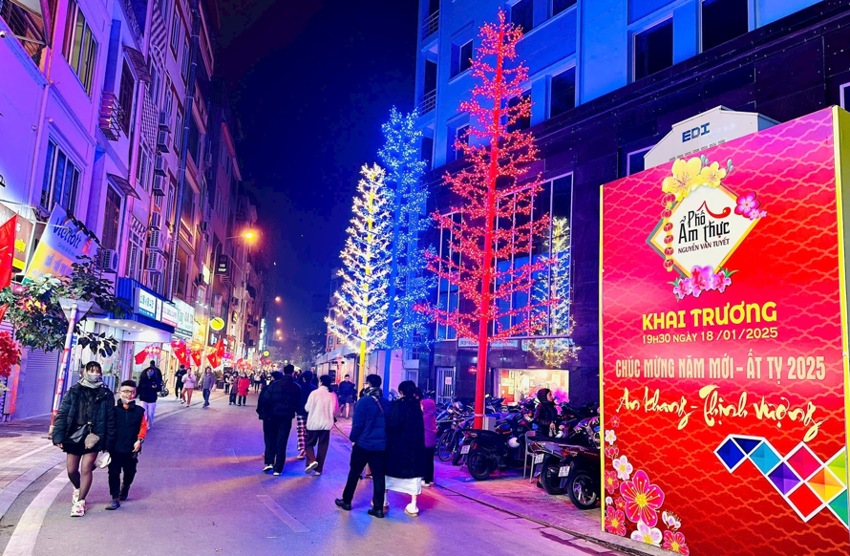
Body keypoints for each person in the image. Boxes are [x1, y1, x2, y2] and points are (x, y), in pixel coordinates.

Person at [52, 361, 116, 517]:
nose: (95, 373)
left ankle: (80, 503)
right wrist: (58, 436)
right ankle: (77, 487)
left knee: (86, 467)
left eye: (97, 371)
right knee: (72, 470)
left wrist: (108, 444)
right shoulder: (74, 391)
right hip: (74, 435)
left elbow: (110, 419)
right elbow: (63, 414)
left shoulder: (106, 394)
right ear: (85, 372)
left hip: (94, 436)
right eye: (91, 370)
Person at [335, 374, 390, 518]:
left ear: (369, 384)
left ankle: (347, 501)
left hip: (363, 444)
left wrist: (353, 438)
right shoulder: (386, 403)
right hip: (380, 446)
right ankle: (378, 508)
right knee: (379, 476)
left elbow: (357, 424)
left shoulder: (363, 402)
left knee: (354, 472)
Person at [385, 381, 426, 516]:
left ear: (401, 391)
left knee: (389, 474)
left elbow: (392, 424)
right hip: (414, 447)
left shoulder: (397, 405)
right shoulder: (417, 407)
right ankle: (413, 505)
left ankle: (383, 501)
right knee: (413, 476)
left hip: (397, 446)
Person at [105, 380, 147, 510]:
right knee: (113, 472)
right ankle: (115, 497)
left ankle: (126, 486)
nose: (128, 395)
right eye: (125, 391)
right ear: (119, 392)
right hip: (115, 448)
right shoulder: (113, 410)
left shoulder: (140, 411)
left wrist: (139, 440)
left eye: (132, 392)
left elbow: (143, 427)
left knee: (130, 472)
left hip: (131, 448)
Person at [256, 366, 302, 475]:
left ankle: (269, 462)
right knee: (282, 441)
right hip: (286, 418)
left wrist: (264, 414)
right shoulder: (296, 387)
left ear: (283, 372)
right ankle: (278, 468)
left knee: (270, 438)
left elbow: (265, 400)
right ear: (292, 373)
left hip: (271, 417)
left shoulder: (273, 385)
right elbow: (299, 404)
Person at [303, 375, 338, 476]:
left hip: (314, 423)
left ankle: (312, 460)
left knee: (309, 444)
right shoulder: (332, 394)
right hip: (326, 424)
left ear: (321, 381)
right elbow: (335, 410)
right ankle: (319, 470)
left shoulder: (314, 393)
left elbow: (307, 408)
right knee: (323, 446)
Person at [137, 360, 163, 429]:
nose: (150, 372)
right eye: (148, 371)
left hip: (152, 399)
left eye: (151, 372)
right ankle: (144, 425)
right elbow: (139, 387)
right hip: (143, 398)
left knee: (150, 414)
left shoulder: (156, 377)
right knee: (144, 413)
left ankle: (149, 424)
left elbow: (159, 387)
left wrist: (156, 387)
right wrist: (135, 394)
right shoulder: (143, 379)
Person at [296, 371, 316, 458]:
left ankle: (302, 450)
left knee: (300, 431)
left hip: (300, 411)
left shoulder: (299, 387)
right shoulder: (314, 388)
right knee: (309, 431)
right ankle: (308, 449)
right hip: (311, 413)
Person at [420, 389, 437, 487]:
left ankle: (426, 480)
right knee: (430, 462)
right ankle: (430, 479)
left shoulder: (424, 417)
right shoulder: (431, 417)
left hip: (425, 442)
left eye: (423, 405)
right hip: (431, 442)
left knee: (425, 461)